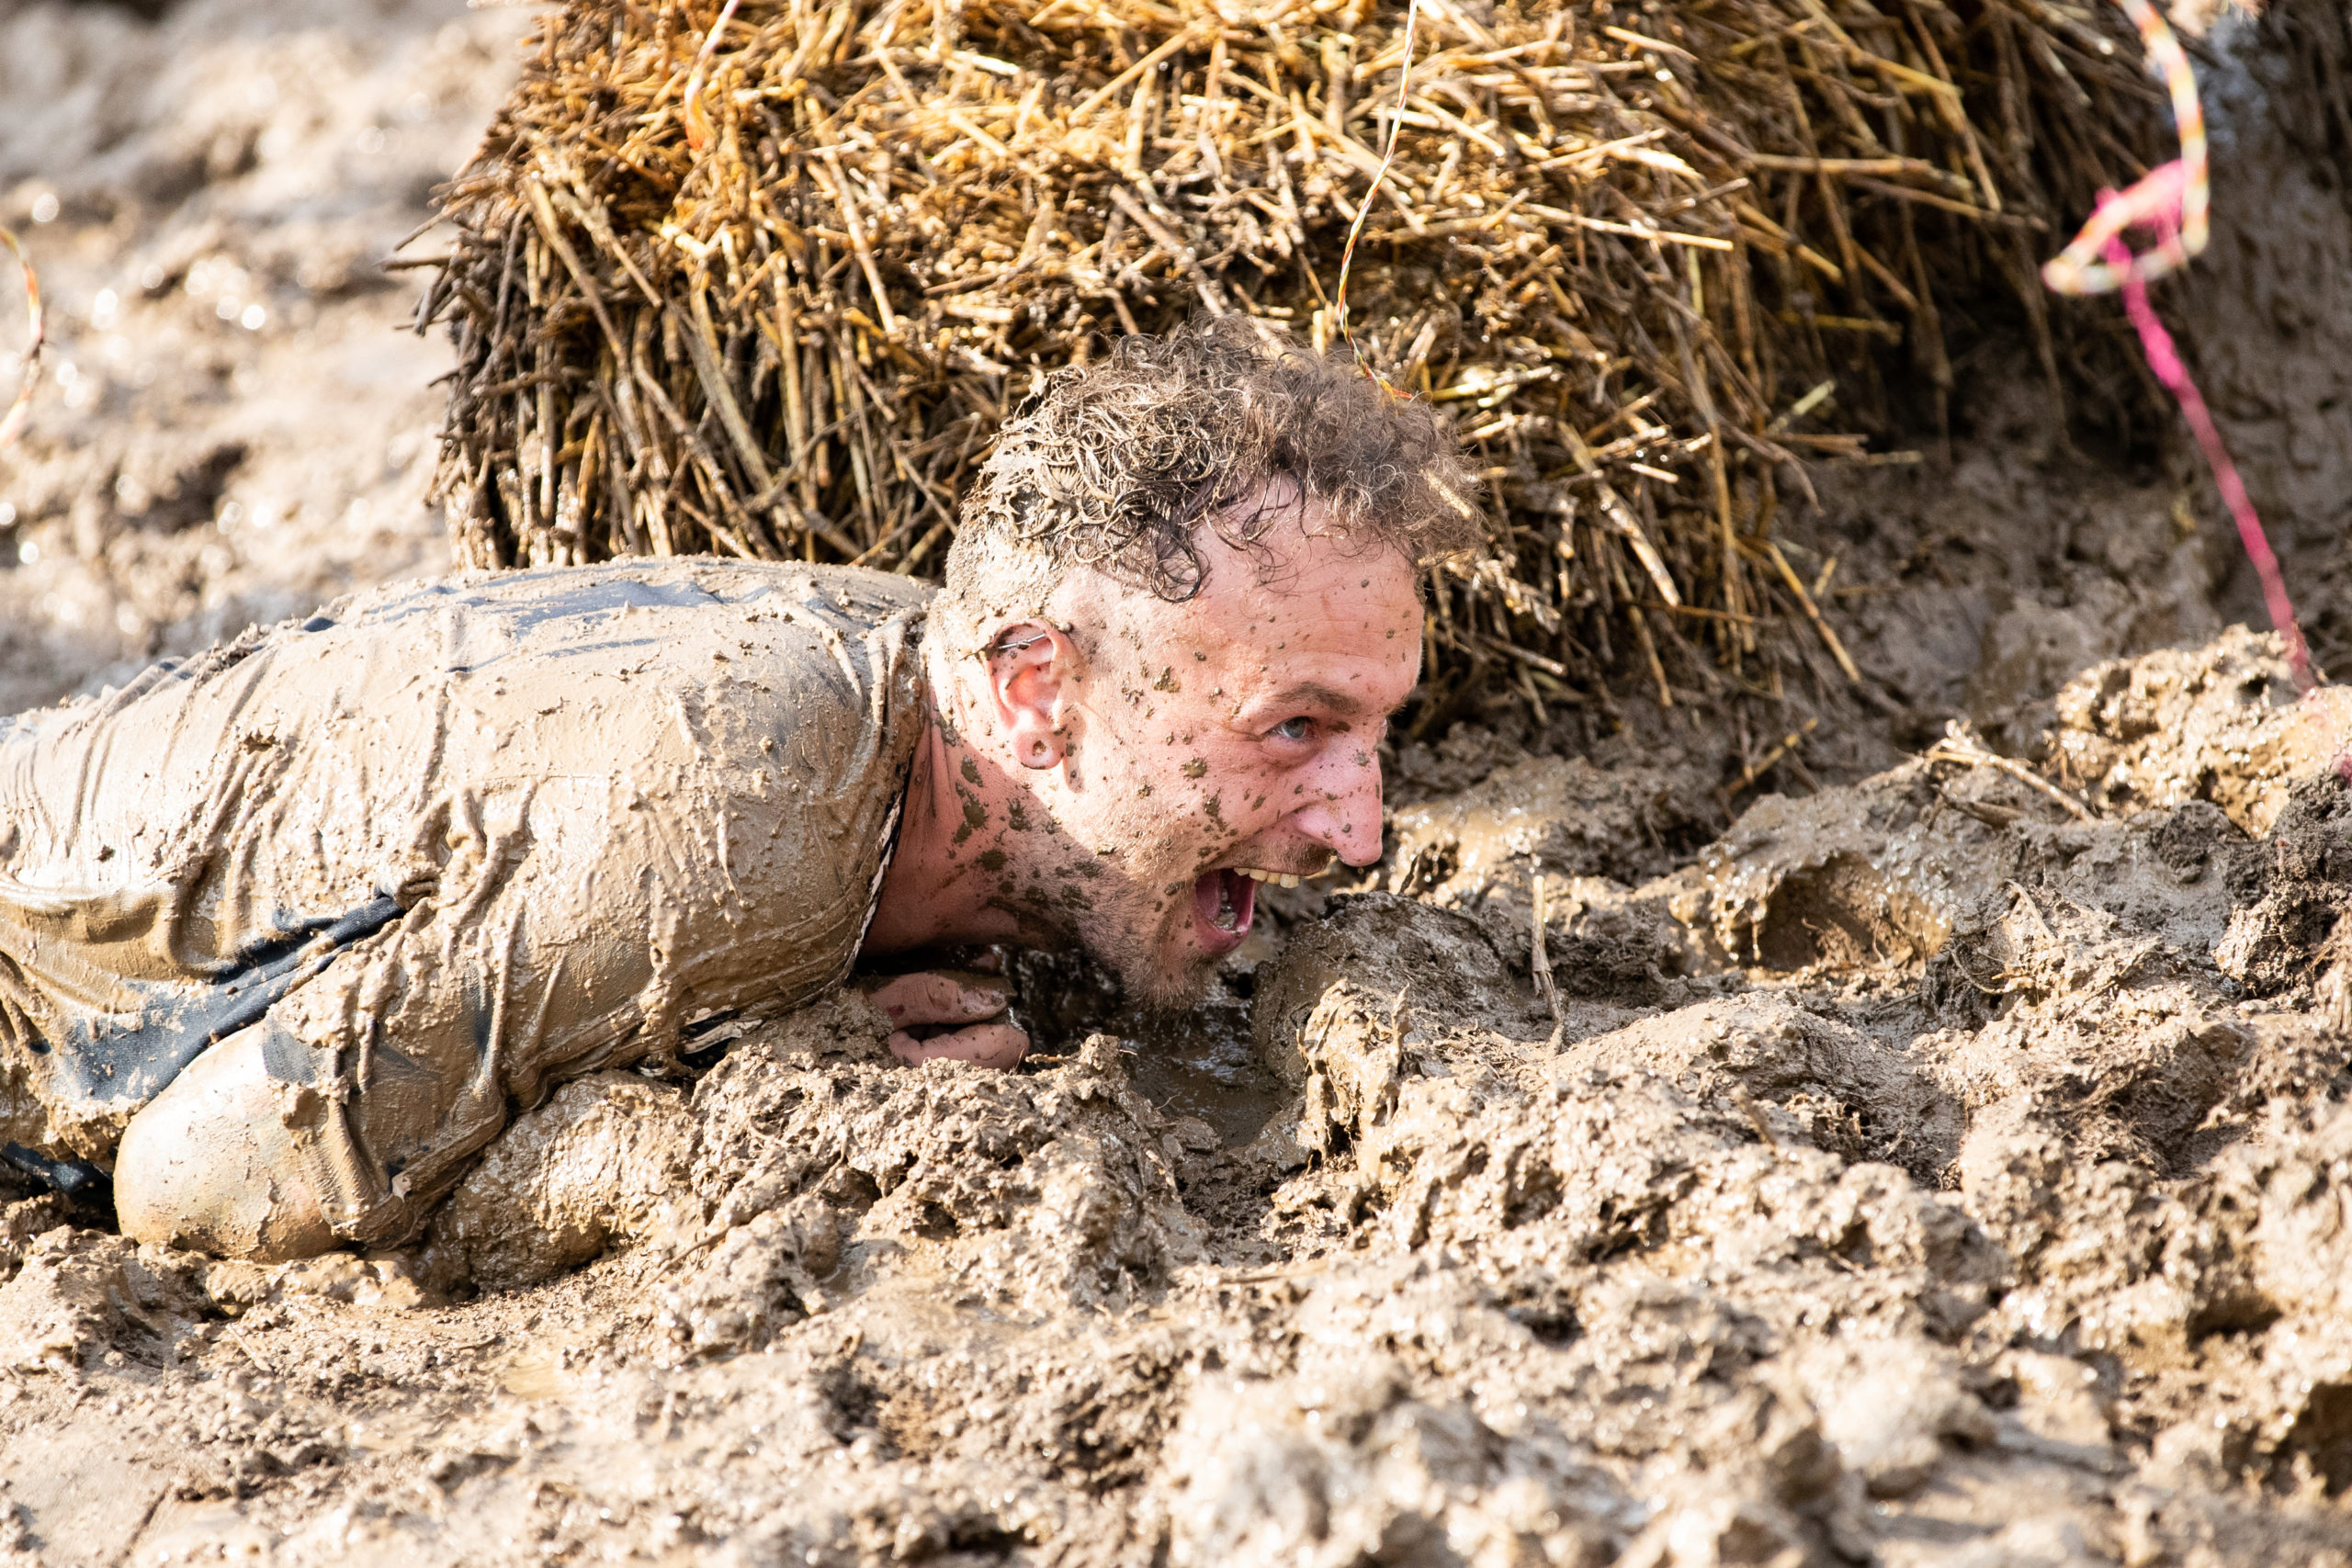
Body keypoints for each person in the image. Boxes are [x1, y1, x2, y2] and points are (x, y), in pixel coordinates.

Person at [0, 318, 1476, 1260]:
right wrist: (700, 1128)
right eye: (1294, 730)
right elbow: (188, 1187)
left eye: (1373, 734)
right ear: (1037, 694)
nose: (1364, 830)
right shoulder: (742, 839)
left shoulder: (933, 703)